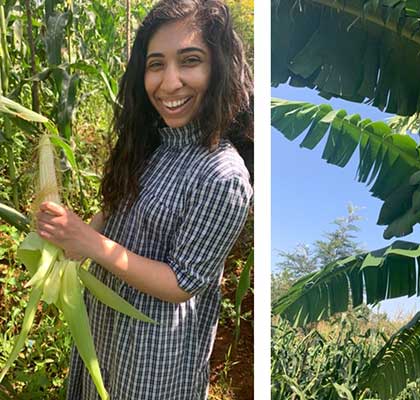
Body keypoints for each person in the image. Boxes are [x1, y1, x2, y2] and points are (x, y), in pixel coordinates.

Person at [34, 0, 252, 398]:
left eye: (190, 61)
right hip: (105, 329)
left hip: (153, 355)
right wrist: (74, 235)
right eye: (156, 64)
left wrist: (90, 242)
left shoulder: (223, 176)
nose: (170, 83)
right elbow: (117, 206)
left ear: (219, 68)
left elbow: (182, 283)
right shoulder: (151, 142)